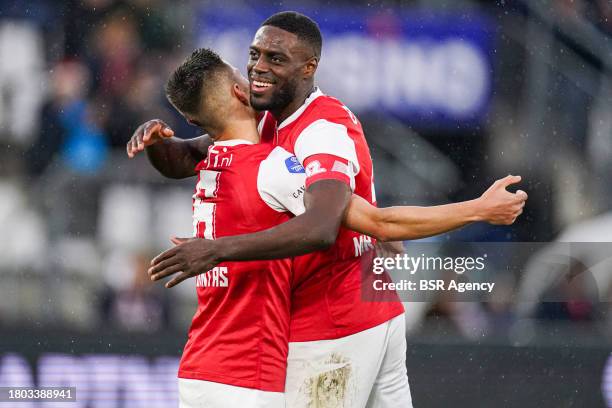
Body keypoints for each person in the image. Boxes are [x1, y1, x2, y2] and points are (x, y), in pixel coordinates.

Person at [129, 13, 527, 408]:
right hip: (364, 309)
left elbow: (324, 225)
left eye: (275, 59)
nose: (259, 68)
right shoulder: (265, 120)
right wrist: (156, 140)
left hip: (332, 323)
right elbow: (190, 154)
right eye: (254, 54)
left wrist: (476, 210)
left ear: (309, 67)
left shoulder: (320, 131)